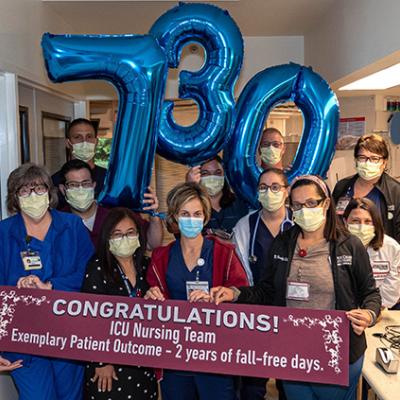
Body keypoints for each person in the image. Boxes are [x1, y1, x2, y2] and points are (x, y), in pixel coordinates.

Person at [212, 175, 381, 400]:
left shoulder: (349, 245)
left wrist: (369, 314)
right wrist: (235, 293)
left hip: (338, 352)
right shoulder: (282, 243)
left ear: (326, 204)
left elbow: (371, 293)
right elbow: (267, 291)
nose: (304, 210)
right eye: (298, 205)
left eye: (311, 203)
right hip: (294, 353)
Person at [145, 182, 248, 400]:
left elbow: (242, 291)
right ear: (173, 217)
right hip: (175, 352)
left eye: (197, 213)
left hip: (216, 352)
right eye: (184, 213)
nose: (191, 219)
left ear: (205, 216)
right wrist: (150, 297)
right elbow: (149, 296)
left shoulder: (224, 253)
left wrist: (226, 294)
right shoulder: (161, 257)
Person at [0, 163, 94, 400]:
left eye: (39, 189)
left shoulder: (72, 227)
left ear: (50, 193)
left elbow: (91, 275)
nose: (33, 196)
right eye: (24, 191)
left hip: (68, 334)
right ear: (14, 197)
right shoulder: (3, 234)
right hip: (22, 339)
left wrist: (51, 286)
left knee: (69, 396)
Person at [82, 207, 158, 399]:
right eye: (117, 234)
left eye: (130, 233)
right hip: (110, 365)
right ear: (107, 238)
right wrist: (100, 362)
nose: (124, 238)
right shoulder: (97, 268)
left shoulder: (146, 266)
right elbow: (89, 321)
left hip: (142, 359)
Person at [233, 167, 292, 400]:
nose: (270, 192)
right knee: (253, 382)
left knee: (289, 379)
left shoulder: (299, 223)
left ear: (286, 192)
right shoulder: (245, 226)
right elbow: (241, 273)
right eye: (263, 188)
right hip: (256, 313)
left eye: (276, 187)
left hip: (292, 313)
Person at [58, 159, 163, 248]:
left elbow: (152, 244)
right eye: (73, 185)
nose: (80, 189)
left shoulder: (115, 213)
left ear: (94, 186)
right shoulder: (57, 222)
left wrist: (154, 215)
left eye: (85, 183)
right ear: (63, 189)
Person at [333, 134, 400, 242]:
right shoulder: (342, 187)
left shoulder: (395, 191)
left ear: (384, 162)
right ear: (356, 160)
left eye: (374, 158)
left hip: (381, 254)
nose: (368, 163)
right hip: (345, 251)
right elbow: (332, 223)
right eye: (362, 158)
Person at [343, 198, 400, 309]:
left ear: (376, 223)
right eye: (355, 221)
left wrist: (371, 311)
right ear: (345, 222)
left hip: (383, 309)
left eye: (368, 221)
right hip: (346, 310)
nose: (361, 226)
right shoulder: (335, 247)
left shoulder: (392, 248)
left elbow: (392, 288)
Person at [186, 155, 249, 237]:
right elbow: (176, 229)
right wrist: (189, 188)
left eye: (217, 173)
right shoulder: (192, 205)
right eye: (205, 173)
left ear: (224, 175)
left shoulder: (239, 204)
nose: (212, 178)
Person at [52, 118, 107, 207]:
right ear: (67, 143)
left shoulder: (109, 179)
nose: (84, 142)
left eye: (89, 137)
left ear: (96, 142)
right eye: (78, 137)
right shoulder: (54, 182)